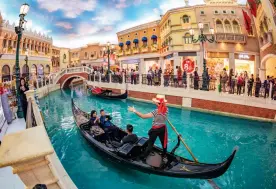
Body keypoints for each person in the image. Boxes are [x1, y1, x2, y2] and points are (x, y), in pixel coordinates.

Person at [128, 94, 168, 161]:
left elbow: (143, 116)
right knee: (163, 142)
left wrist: (134, 111)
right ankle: (164, 154)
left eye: (155, 101)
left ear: (157, 103)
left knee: (150, 144)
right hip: (163, 128)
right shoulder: (166, 109)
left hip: (155, 130)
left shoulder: (156, 111)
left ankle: (143, 157)